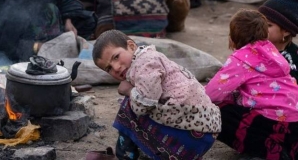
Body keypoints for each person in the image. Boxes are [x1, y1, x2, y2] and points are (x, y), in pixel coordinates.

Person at [93, 29, 221, 160]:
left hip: (193, 134)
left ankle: (125, 155)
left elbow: (144, 105)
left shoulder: (144, 63)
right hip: (202, 131)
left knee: (128, 107)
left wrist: (129, 91)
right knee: (135, 99)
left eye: (116, 57)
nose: (115, 67)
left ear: (131, 46)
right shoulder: (149, 58)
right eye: (108, 68)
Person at [204, 9, 298, 159]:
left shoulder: (241, 58)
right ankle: (286, 151)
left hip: (274, 126)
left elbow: (212, 93)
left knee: (217, 112)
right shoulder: (273, 52)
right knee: (235, 100)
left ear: (233, 37)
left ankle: (268, 152)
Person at [258, 0, 298, 127]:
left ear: (286, 31)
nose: (260, 28)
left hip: (291, 117)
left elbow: (293, 97)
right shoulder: (264, 47)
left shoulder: (291, 60)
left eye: (268, 25)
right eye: (259, 22)